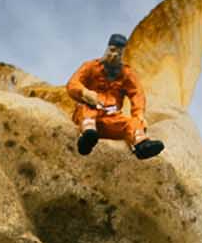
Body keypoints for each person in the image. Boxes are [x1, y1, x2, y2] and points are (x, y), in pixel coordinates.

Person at [65, 33, 164, 161]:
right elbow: (73, 83)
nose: (114, 55)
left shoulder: (127, 74)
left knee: (131, 122)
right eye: (112, 50)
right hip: (89, 114)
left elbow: (136, 94)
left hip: (111, 118)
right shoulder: (90, 67)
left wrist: (139, 114)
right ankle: (87, 137)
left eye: (119, 53)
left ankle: (141, 145)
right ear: (107, 49)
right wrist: (84, 93)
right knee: (87, 108)